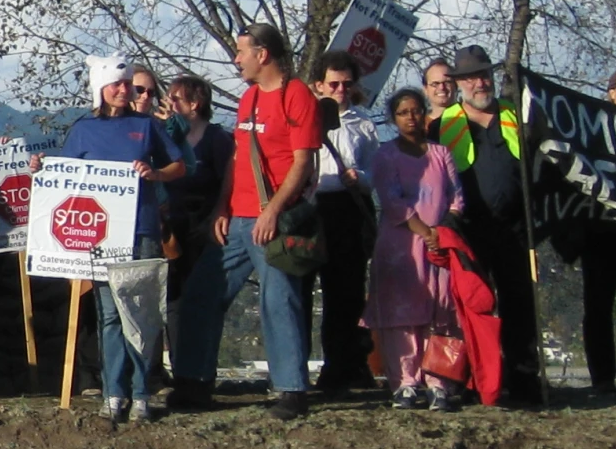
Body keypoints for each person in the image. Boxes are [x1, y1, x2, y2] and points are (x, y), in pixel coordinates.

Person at [170, 22, 321, 419]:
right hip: (237, 217)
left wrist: (273, 211)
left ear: (263, 54)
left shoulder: (297, 95)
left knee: (278, 300)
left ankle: (291, 390)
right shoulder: (249, 98)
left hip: (273, 218)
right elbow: (239, 157)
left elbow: (303, 161)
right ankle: (193, 381)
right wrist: (222, 207)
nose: (236, 59)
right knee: (202, 293)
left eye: (241, 51)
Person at [57, 63, 186, 421]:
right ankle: (114, 392)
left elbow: (178, 166)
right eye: (117, 84)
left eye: (127, 84)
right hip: (102, 235)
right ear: (101, 87)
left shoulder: (147, 126)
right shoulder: (83, 130)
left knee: (142, 313)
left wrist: (155, 172)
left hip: (142, 230)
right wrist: (41, 166)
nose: (124, 90)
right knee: (111, 315)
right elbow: (63, 176)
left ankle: (141, 392)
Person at [435, 44, 540, 404]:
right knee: (472, 308)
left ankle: (524, 378)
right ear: (459, 83)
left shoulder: (516, 119)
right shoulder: (442, 126)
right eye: (471, 78)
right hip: (468, 232)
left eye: (484, 75)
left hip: (514, 230)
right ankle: (472, 380)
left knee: (519, 304)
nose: (480, 83)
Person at [365, 88, 467, 411]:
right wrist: (424, 231)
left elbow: (456, 198)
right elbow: (393, 202)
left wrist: (441, 231)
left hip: (438, 248)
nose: (411, 117)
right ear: (393, 119)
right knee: (403, 319)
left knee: (441, 313)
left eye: (415, 110)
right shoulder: (385, 156)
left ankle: (439, 382)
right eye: (403, 112)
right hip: (402, 249)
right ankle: (405, 384)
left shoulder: (441, 154)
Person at [309, 51, 382, 391]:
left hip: (349, 208)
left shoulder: (363, 124)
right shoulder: (306, 120)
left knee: (347, 292)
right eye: (334, 84)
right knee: (303, 289)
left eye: (347, 84)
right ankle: (300, 368)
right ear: (319, 85)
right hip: (313, 207)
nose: (340, 90)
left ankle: (345, 364)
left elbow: (375, 171)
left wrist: (360, 176)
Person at [159, 74, 235, 391]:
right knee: (175, 301)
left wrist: (218, 216)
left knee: (204, 299)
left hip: (206, 227)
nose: (169, 104)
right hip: (171, 227)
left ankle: (203, 372)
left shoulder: (218, 139)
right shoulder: (166, 136)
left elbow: (228, 184)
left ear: (195, 104)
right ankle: (182, 370)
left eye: (175, 99)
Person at [584, 68, 616, 393]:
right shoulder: (592, 126)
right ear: (611, 92)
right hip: (599, 231)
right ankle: (602, 378)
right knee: (598, 307)